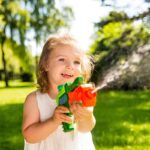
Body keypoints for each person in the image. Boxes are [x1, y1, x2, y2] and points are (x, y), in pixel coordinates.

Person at [22, 33, 96, 150]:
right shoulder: (34, 100)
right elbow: (29, 136)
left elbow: (86, 128)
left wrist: (86, 116)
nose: (70, 66)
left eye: (77, 62)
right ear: (46, 64)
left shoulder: (81, 97)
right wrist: (53, 121)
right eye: (62, 59)